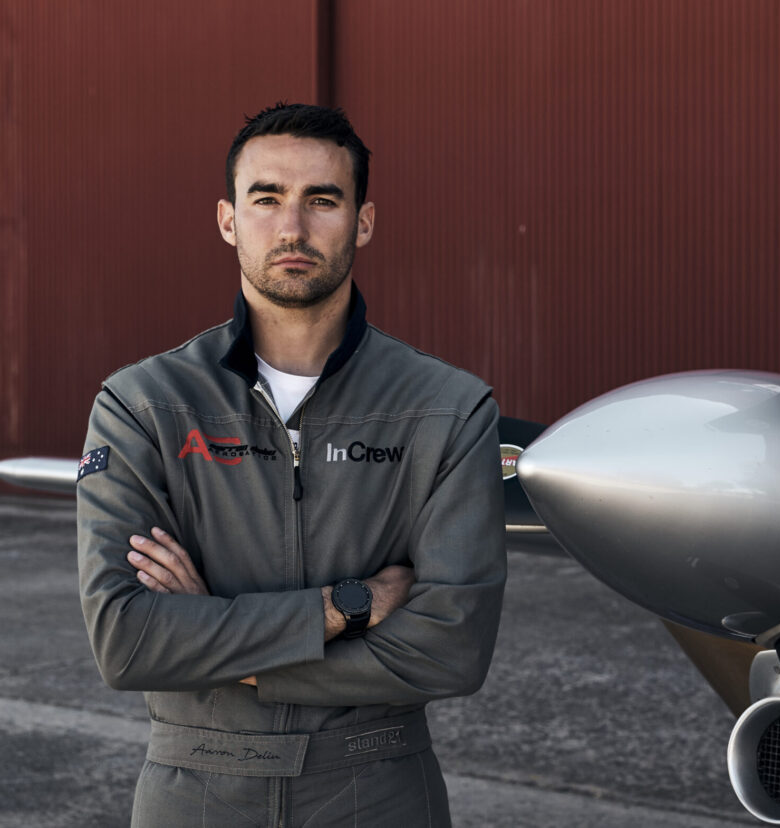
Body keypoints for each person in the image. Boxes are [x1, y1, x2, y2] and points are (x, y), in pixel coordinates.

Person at [76, 103, 507, 827]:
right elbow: (127, 641)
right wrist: (344, 608)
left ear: (363, 221)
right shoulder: (143, 403)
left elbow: (451, 651)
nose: (293, 228)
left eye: (323, 200)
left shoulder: (450, 408)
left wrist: (209, 635)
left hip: (378, 791)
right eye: (266, 198)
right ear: (227, 219)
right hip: (195, 793)